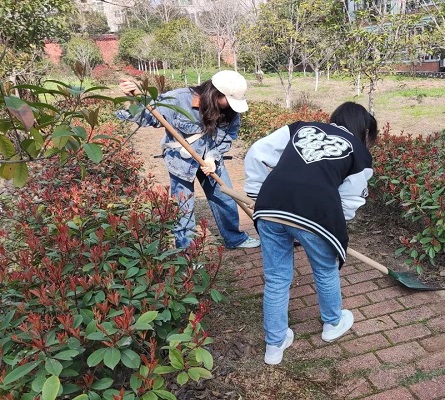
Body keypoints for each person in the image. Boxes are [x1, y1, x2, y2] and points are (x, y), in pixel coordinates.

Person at [244, 102, 378, 365]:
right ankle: (332, 324)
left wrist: (256, 192)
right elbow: (350, 200)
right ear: (364, 130)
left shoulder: (299, 128)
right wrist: (333, 225)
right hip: (316, 213)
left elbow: (257, 151)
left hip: (270, 205)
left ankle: (274, 346)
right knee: (325, 270)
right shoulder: (359, 152)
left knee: (276, 278)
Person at [117, 70, 260, 250]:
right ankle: (187, 251)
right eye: (229, 100)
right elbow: (148, 118)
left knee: (226, 199)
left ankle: (234, 238)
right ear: (216, 93)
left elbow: (228, 136)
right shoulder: (179, 99)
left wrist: (212, 157)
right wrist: (135, 99)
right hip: (181, 163)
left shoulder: (230, 111)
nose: (231, 106)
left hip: (211, 161)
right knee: (183, 208)